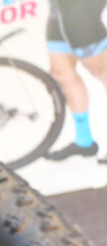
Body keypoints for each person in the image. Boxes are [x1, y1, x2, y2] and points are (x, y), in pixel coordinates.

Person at [41, 0, 107, 161]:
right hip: (59, 9)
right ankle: (84, 141)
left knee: (101, 69)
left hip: (80, 7)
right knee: (61, 72)